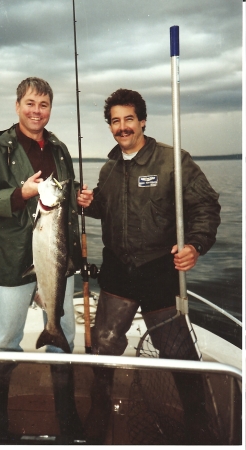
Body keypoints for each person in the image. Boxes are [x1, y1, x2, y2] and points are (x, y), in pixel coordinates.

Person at [83, 88, 221, 444]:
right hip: (117, 272)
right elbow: (105, 208)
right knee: (103, 345)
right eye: (115, 120)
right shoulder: (109, 167)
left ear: (143, 121)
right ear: (110, 126)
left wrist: (194, 245)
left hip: (160, 270)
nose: (123, 127)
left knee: (176, 351)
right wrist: (89, 203)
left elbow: (206, 207)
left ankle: (198, 421)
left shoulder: (173, 161)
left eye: (129, 118)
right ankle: (99, 413)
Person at [0, 77, 93, 444]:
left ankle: (67, 419)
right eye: (31, 103)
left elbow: (63, 194)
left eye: (44, 105)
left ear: (51, 109)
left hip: (57, 258)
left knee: (63, 334)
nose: (37, 111)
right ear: (17, 105)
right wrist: (19, 193)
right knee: (6, 338)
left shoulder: (60, 148)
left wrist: (81, 198)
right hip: (13, 260)